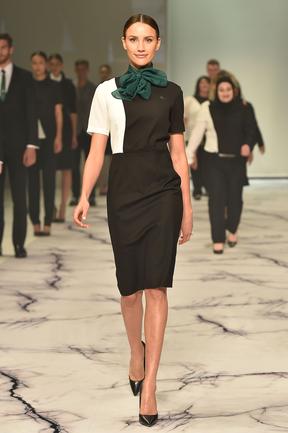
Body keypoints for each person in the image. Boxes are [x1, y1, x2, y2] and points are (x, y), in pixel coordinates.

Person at [74, 14, 193, 427]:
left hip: (163, 192)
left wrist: (188, 207)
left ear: (158, 43)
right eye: (133, 39)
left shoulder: (173, 93)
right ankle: (135, 352)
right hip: (124, 192)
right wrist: (85, 193)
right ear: (123, 43)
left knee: (156, 287)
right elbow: (96, 151)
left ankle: (152, 385)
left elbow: (178, 154)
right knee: (129, 291)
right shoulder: (105, 92)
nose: (141, 46)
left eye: (148, 39)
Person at [186, 76, 254, 254]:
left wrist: (248, 144)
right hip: (214, 161)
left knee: (234, 200)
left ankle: (232, 229)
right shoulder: (207, 108)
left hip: (236, 162)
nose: (225, 93)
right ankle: (218, 238)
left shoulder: (243, 107)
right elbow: (197, 133)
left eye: (228, 90)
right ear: (216, 92)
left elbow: (251, 130)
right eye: (221, 90)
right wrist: (189, 154)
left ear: (234, 91)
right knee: (216, 200)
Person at [0, 33, 37, 258]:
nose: (0, 51)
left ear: (11, 49)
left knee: (19, 198)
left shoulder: (24, 77)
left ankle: (18, 244)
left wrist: (32, 145)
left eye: (3, 47)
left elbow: (32, 113)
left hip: (20, 146)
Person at [28, 51, 63, 236]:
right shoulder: (26, 85)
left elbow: (58, 113)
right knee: (32, 183)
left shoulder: (53, 86)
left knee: (49, 182)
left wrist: (58, 137)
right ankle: (35, 221)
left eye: (41, 62)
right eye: (34, 63)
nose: (37, 66)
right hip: (30, 142)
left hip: (49, 139)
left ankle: (48, 221)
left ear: (46, 64)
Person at [48, 54, 77, 221]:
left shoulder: (67, 85)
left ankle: (62, 208)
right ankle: (50, 205)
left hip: (65, 130)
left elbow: (73, 111)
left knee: (66, 169)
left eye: (57, 64)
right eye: (51, 64)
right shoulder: (44, 82)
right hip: (47, 130)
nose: (54, 67)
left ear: (61, 65)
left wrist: (73, 134)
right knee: (48, 170)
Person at [70, 59, 96, 206]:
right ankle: (75, 195)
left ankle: (90, 195)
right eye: (78, 69)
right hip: (75, 131)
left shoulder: (92, 88)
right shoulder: (71, 87)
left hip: (88, 131)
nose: (81, 72)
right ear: (76, 70)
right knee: (74, 164)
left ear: (87, 70)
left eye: (83, 69)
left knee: (89, 163)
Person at [184, 76, 210, 199]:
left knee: (206, 163)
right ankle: (197, 189)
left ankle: (208, 187)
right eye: (202, 83)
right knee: (194, 163)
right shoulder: (190, 100)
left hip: (208, 137)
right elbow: (183, 117)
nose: (204, 85)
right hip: (192, 136)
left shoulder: (212, 101)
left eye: (206, 83)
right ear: (198, 85)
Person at [97, 64, 113, 196]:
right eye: (101, 72)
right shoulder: (97, 89)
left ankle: (111, 184)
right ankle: (102, 186)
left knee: (113, 159)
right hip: (101, 127)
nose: (103, 74)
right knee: (100, 158)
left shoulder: (113, 88)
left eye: (105, 72)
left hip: (112, 129)